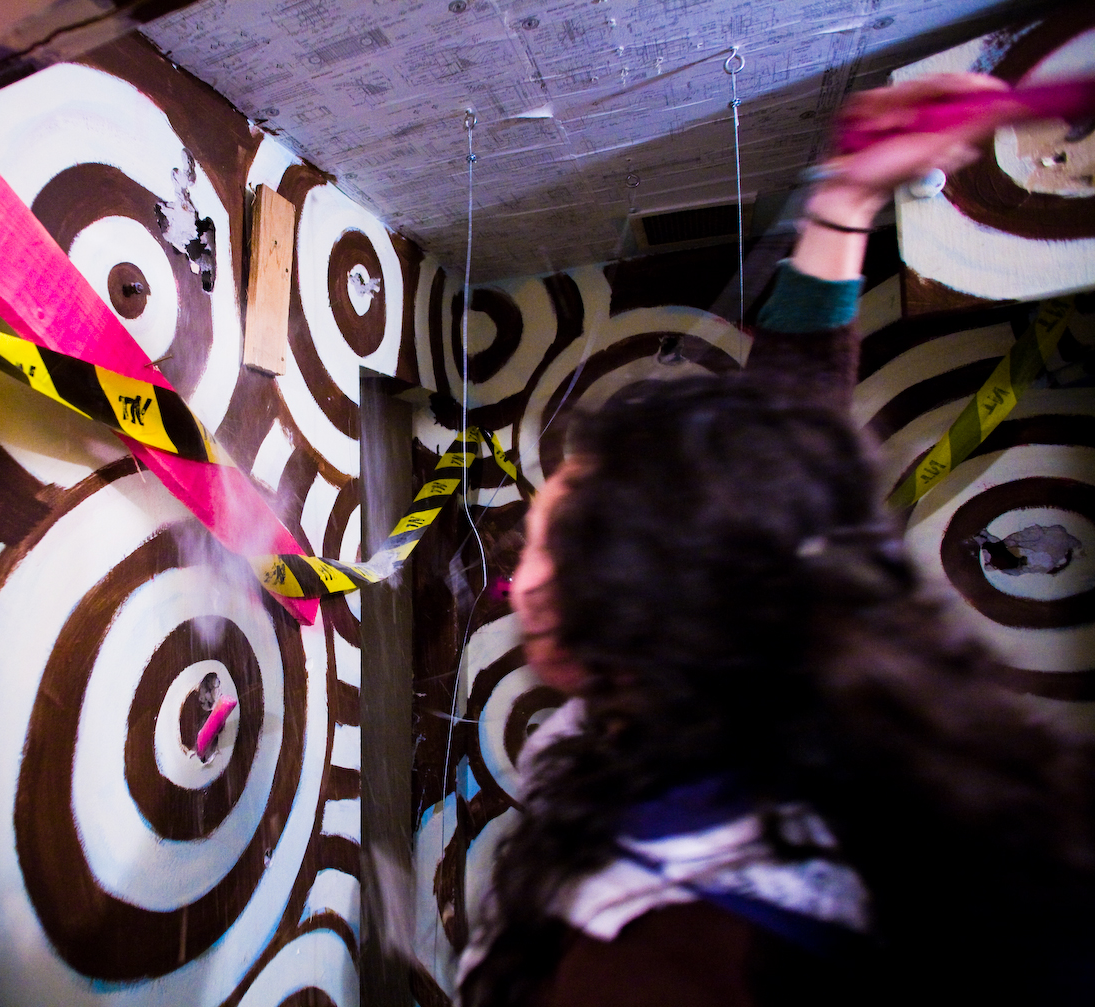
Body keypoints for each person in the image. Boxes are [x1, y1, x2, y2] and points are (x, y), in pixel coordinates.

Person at [458, 75, 1095, 1007]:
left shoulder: (663, 954)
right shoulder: (749, 668)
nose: (518, 580)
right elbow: (783, 424)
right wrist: (844, 197)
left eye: (549, 547)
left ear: (651, 605)